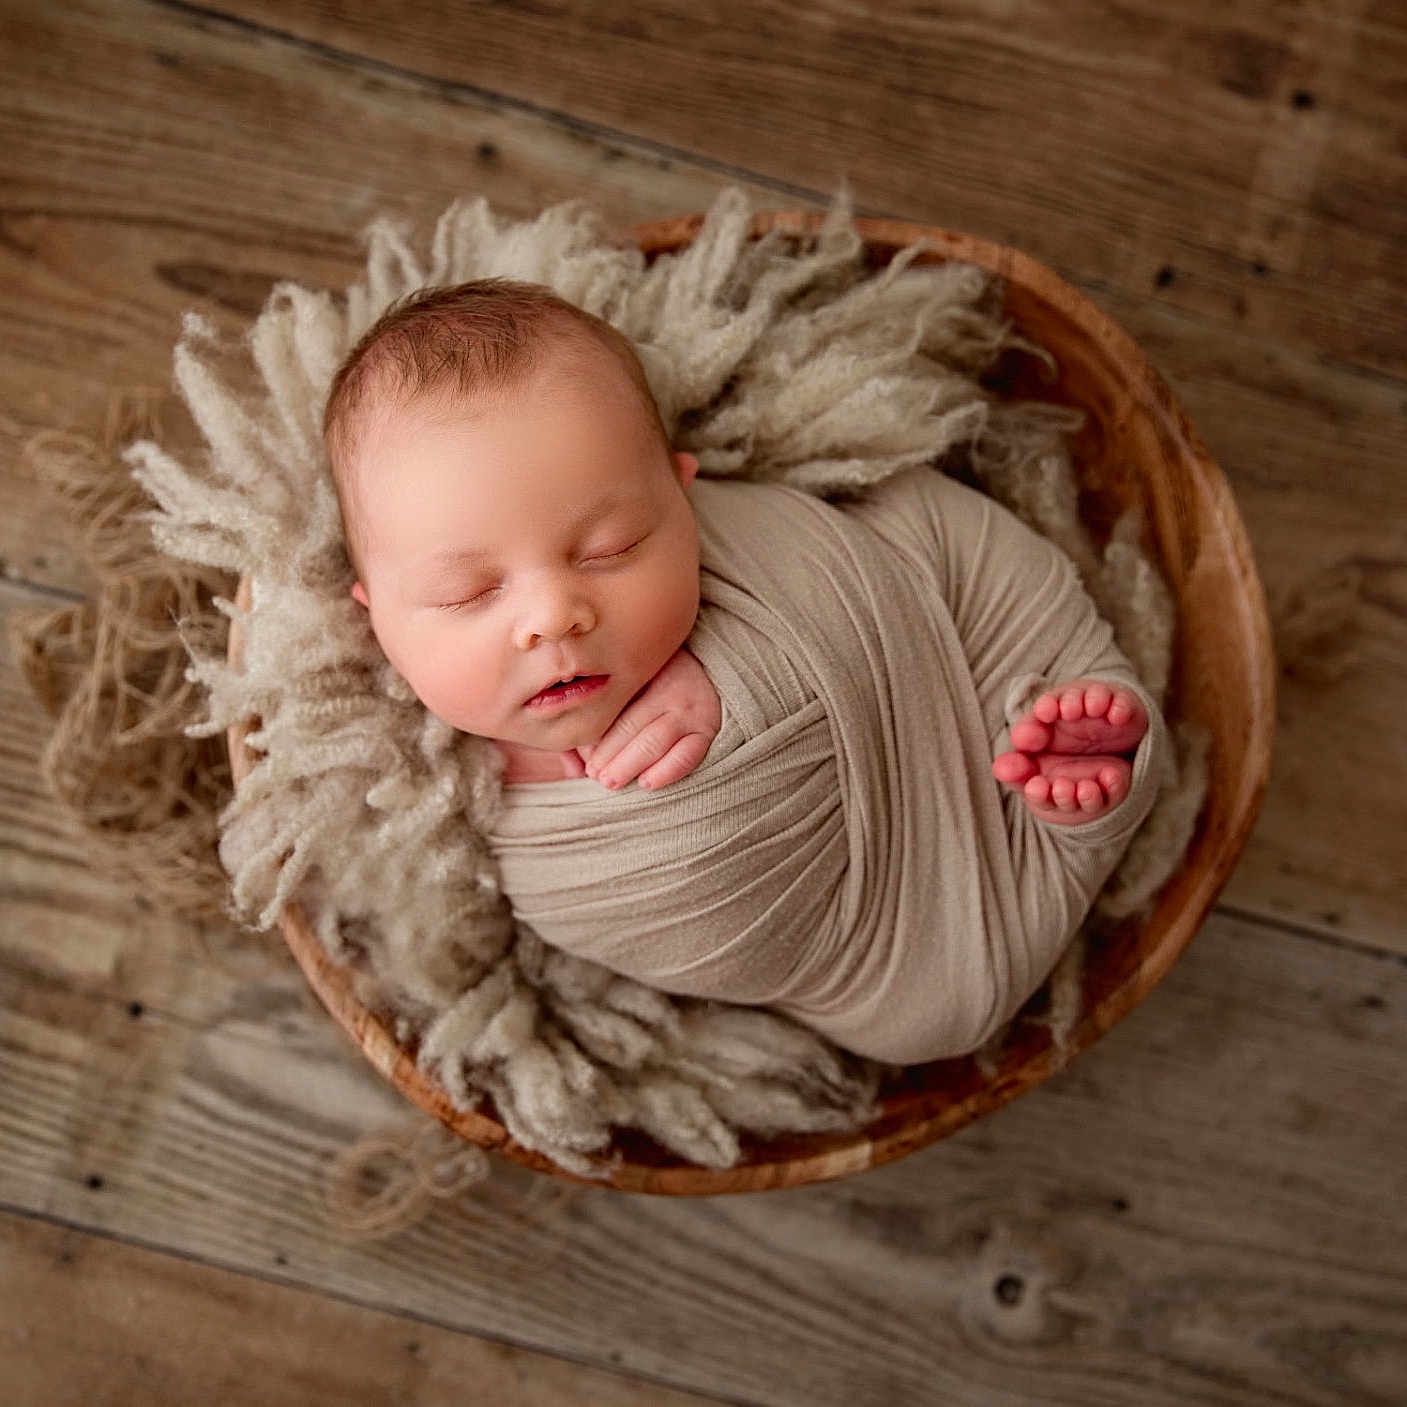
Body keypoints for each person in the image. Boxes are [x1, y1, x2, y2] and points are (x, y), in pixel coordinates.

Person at [324, 279, 1166, 1065]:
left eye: (611, 547)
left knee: (924, 524)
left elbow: (828, 562)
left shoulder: (734, 547)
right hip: (889, 963)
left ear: (683, 493)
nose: (552, 614)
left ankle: (1080, 774)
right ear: (377, 618)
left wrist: (737, 669)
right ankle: (1063, 805)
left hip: (949, 650)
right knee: (927, 1017)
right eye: (468, 594)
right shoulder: (432, 806)